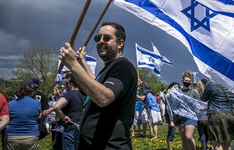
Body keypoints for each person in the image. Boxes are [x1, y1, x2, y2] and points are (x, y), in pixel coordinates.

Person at [59, 21, 137, 150]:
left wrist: (73, 65)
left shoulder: (122, 67)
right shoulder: (110, 66)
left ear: (120, 43)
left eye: (107, 38)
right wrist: (81, 61)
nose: (100, 41)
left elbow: (104, 97)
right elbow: (95, 83)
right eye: (98, 38)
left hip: (110, 146)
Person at [43, 71, 86, 150]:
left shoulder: (69, 94)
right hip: (83, 127)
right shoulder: (85, 94)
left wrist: (63, 117)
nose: (62, 80)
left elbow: (56, 107)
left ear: (70, 80)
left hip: (71, 126)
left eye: (63, 78)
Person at [201, 79, 234, 150]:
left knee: (217, 144)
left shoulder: (212, 82)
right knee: (227, 144)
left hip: (216, 115)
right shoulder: (233, 82)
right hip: (230, 114)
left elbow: (203, 99)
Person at [6, 80, 40, 150]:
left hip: (12, 136)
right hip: (31, 136)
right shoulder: (36, 103)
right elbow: (38, 117)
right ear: (32, 91)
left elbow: (7, 119)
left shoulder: (10, 104)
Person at [176, 71, 200, 150]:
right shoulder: (179, 92)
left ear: (191, 81)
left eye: (189, 81)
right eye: (186, 81)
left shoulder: (194, 92)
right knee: (184, 139)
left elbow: (199, 104)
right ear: (182, 80)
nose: (187, 82)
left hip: (191, 116)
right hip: (180, 116)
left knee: (188, 137)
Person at [164, 81, 180, 150]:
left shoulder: (177, 95)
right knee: (172, 133)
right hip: (170, 116)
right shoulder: (169, 95)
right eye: (175, 87)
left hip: (175, 115)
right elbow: (167, 107)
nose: (176, 89)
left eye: (178, 88)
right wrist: (171, 120)